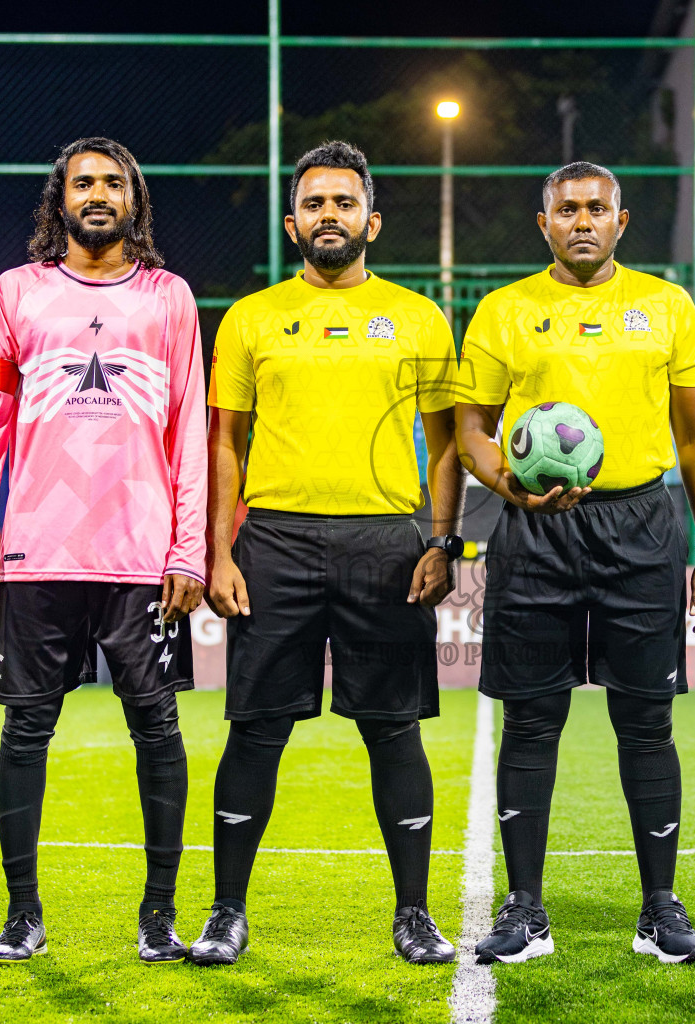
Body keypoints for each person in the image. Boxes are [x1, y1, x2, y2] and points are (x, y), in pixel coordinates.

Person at [193, 140, 464, 966]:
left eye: (344, 203)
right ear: (291, 223)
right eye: (314, 204)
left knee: (392, 731)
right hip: (272, 539)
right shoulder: (251, 317)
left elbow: (448, 443)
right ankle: (226, 913)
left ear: (372, 221)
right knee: (256, 730)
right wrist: (219, 550)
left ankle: (412, 913)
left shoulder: (417, 317)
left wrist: (444, 541)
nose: (329, 216)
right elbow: (224, 445)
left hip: (386, 544)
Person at [455, 161, 695, 965]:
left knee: (646, 721)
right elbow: (471, 427)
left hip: (641, 523)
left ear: (621, 219)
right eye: (566, 208)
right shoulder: (505, 311)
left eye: (596, 208)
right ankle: (525, 909)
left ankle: (659, 909)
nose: (582, 220)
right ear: (543, 223)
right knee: (531, 719)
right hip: (531, 530)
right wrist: (507, 477)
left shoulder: (666, 306)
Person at [0, 137, 208, 965]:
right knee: (25, 731)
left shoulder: (170, 298)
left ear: (135, 199)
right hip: (37, 551)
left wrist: (189, 550)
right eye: (82, 182)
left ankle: (158, 918)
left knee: (158, 731)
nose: (97, 195)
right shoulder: (15, 293)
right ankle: (22, 916)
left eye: (112, 183)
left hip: (141, 560)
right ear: (57, 199)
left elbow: (191, 431)